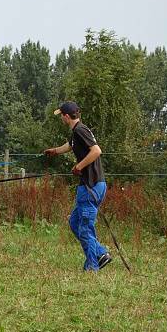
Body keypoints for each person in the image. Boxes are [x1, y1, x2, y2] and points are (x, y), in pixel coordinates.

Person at [44, 101, 112, 272]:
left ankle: (92, 267)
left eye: (61, 115)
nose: (60, 117)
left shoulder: (80, 130)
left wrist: (79, 166)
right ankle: (100, 253)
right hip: (92, 185)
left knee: (84, 228)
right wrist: (55, 151)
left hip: (91, 185)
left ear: (66, 116)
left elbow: (96, 151)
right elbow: (70, 146)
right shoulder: (77, 132)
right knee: (75, 222)